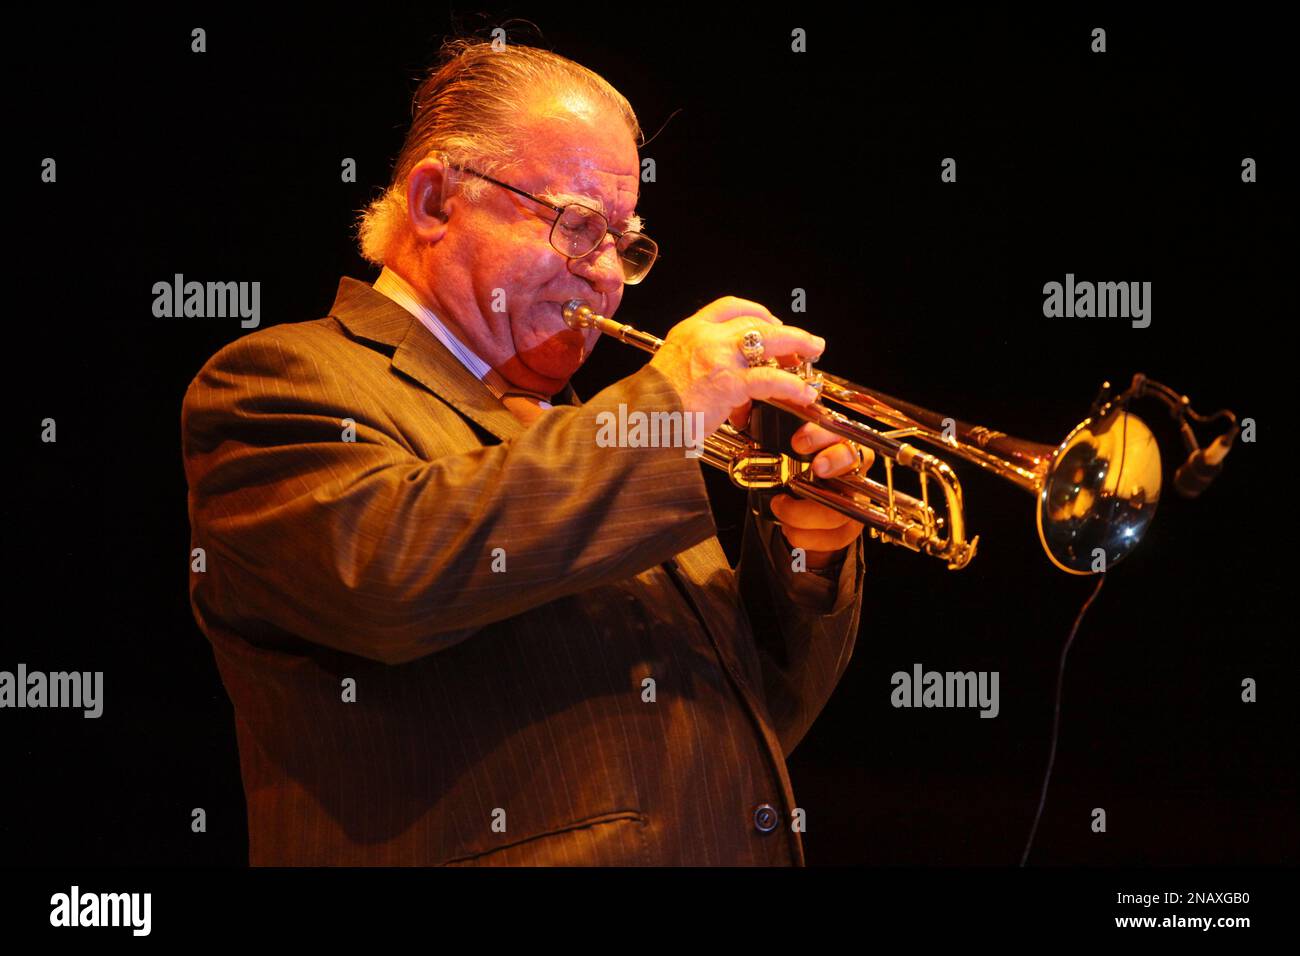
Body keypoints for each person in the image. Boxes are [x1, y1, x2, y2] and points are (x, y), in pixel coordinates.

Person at [181, 39, 870, 866]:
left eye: (625, 241)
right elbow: (388, 578)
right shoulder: (280, 382)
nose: (607, 275)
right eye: (580, 226)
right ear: (435, 200)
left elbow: (744, 728)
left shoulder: (591, 436)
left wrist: (809, 556)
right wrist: (664, 408)